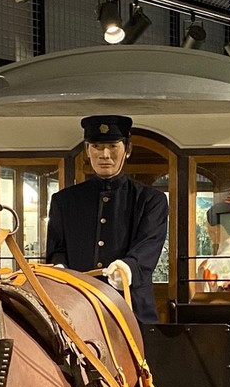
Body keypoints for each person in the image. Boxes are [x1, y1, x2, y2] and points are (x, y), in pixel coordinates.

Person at [45, 114, 169, 323]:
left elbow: (148, 246)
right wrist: (59, 270)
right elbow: (56, 249)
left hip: (131, 308)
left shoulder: (151, 200)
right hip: (77, 308)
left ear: (127, 150)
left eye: (113, 146)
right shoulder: (64, 201)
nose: (104, 154)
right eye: (96, 146)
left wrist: (128, 267)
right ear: (87, 150)